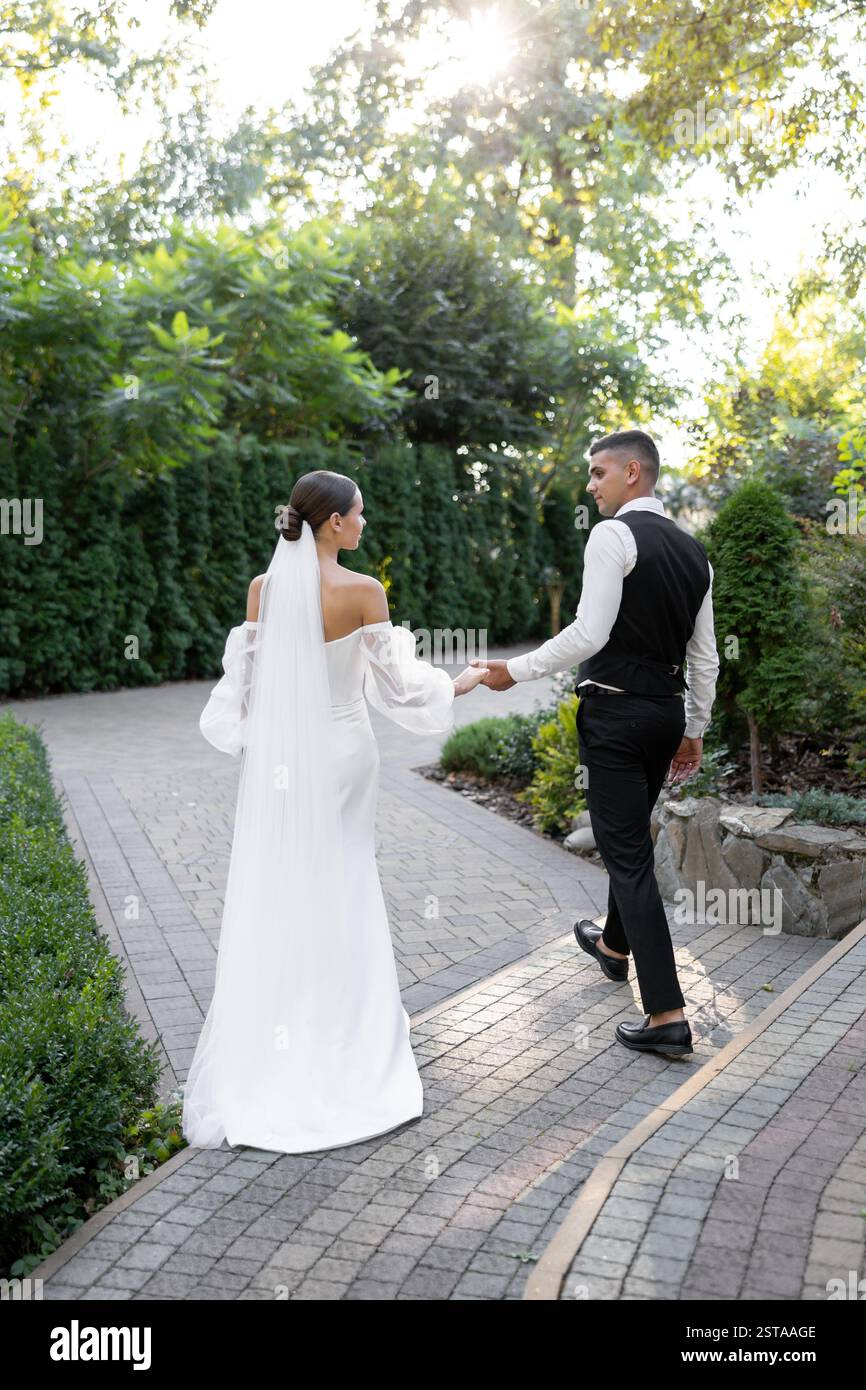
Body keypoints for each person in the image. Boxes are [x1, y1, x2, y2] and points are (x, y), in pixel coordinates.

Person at [183, 470, 488, 1153]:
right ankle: (351, 1032)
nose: (365, 522)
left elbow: (250, 687)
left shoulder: (264, 590)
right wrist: (457, 683)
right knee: (347, 880)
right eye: (359, 513)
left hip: (283, 762)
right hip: (347, 752)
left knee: (287, 884)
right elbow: (399, 686)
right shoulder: (363, 592)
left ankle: (281, 1032)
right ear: (332, 524)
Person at [473, 430, 720, 1059]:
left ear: (632, 473)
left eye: (597, 472)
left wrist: (515, 671)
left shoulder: (612, 535)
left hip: (616, 714)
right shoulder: (696, 553)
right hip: (663, 715)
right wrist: (693, 730)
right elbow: (705, 659)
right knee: (630, 836)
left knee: (627, 856)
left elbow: (589, 632)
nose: (591, 485)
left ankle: (666, 1013)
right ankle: (613, 948)